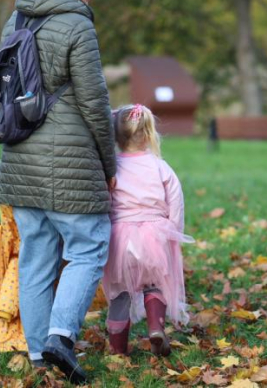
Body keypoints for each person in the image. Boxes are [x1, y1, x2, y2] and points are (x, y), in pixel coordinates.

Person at [0, 0, 117, 385]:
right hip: (69, 160)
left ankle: (39, 357)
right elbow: (94, 103)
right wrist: (109, 165)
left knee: (36, 257)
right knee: (89, 245)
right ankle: (61, 336)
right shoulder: (78, 25)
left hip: (20, 156)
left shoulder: (17, 17)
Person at [102, 104, 192, 357]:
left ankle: (118, 350)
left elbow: (105, 201)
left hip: (120, 239)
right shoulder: (160, 166)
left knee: (120, 293)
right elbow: (176, 201)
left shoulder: (112, 169)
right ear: (150, 134)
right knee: (155, 286)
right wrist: (173, 232)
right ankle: (156, 328)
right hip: (155, 236)